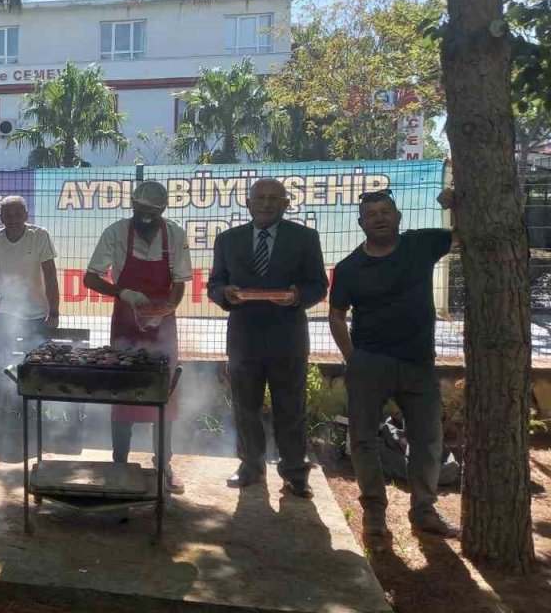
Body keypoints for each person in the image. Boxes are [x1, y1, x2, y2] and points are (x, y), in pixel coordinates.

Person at [328, 187, 461, 540]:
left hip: (419, 363)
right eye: (372, 214)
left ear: (398, 217)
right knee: (363, 440)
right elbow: (336, 315)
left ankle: (423, 510)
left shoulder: (421, 245)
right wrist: (353, 359)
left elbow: (464, 238)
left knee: (428, 439)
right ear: (361, 223)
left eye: (386, 212)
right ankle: (374, 511)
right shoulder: (348, 268)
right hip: (369, 363)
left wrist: (457, 205)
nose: (380, 218)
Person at [208, 178, 329, 497]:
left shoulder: (304, 238)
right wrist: (225, 293)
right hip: (244, 338)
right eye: (260, 198)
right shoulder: (227, 240)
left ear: (286, 203)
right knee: (245, 407)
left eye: (274, 198)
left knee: (291, 406)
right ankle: (251, 466)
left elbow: (318, 284)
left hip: (287, 337)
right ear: (248, 203)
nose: (266, 204)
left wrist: (298, 296)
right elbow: (214, 284)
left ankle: (294, 472)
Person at [84, 180, 191, 495]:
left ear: (163, 210)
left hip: (163, 326)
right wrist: (122, 292)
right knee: (124, 392)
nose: (145, 217)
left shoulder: (175, 235)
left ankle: (164, 464)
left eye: (152, 212)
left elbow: (181, 280)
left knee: (164, 394)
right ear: (133, 205)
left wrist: (168, 307)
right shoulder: (116, 233)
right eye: (140, 210)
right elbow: (91, 277)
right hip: (126, 323)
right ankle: (119, 462)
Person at [0, 196, 60, 413]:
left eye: (17, 214)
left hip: (38, 311)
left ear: (26, 215)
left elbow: (51, 276)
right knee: (1, 359)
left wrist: (55, 312)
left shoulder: (40, 236)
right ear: (0, 218)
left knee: (37, 362)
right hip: (7, 311)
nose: (13, 219)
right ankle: (6, 404)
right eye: (7, 214)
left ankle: (34, 406)